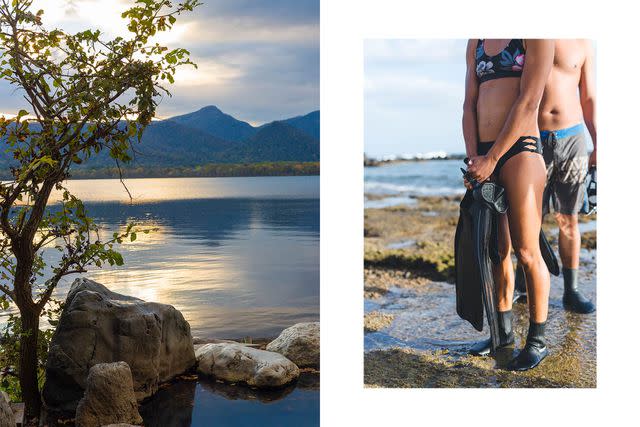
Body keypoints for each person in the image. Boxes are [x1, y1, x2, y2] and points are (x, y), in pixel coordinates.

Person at [462, 39, 554, 371]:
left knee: (527, 251)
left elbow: (529, 102)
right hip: (484, 154)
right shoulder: (477, 39)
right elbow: (468, 104)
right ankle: (502, 336)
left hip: (521, 151)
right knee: (497, 250)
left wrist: (494, 158)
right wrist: (475, 159)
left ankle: (537, 342)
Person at [514, 39, 596, 314]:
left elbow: (588, 97)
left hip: (572, 137)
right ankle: (523, 286)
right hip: (531, 136)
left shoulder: (582, 42)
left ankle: (571, 291)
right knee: (528, 217)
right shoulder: (526, 36)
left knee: (568, 217)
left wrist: (598, 141)